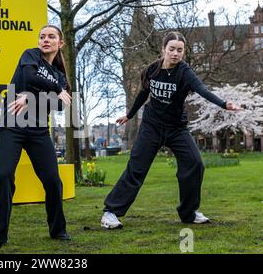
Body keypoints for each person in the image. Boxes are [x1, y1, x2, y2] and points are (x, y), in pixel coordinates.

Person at [101, 31, 242, 229]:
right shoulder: (152, 70)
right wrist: (130, 115)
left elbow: (202, 90)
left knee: (195, 164)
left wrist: (224, 104)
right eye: (172, 49)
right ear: (164, 49)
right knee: (137, 168)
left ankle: (189, 212)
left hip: (176, 128)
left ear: (183, 52)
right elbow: (143, 93)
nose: (175, 53)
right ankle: (111, 213)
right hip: (151, 127)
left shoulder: (185, 72)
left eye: (180, 50)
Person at [0, 25, 72, 250]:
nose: (45, 40)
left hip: (38, 129)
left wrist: (30, 97)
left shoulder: (60, 76)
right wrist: (53, 90)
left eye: (51, 37)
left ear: (61, 43)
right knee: (4, 175)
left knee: (52, 180)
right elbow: (29, 77)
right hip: (13, 124)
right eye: (42, 36)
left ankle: (58, 229)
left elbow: (59, 104)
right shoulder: (30, 55)